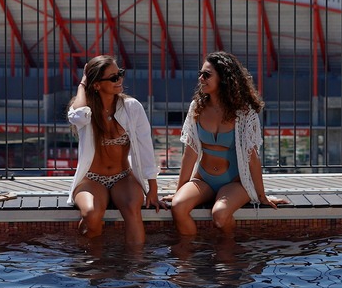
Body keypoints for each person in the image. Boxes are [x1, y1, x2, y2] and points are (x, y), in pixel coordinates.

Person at [169, 51, 285, 236]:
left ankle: (229, 250)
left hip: (235, 182)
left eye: (206, 75)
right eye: (200, 74)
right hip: (203, 179)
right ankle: (190, 251)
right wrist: (179, 190)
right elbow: (190, 153)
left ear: (223, 78)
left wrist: (261, 196)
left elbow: (252, 157)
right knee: (178, 206)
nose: (200, 78)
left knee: (220, 215)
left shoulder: (244, 113)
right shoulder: (196, 107)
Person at [67, 55, 163, 246]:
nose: (119, 80)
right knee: (92, 214)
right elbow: (78, 117)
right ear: (96, 85)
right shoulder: (86, 109)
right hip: (92, 179)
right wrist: (82, 84)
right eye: (113, 78)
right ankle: (94, 261)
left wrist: (153, 188)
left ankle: (136, 262)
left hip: (123, 177)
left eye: (120, 74)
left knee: (133, 209)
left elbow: (145, 146)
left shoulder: (131, 108)